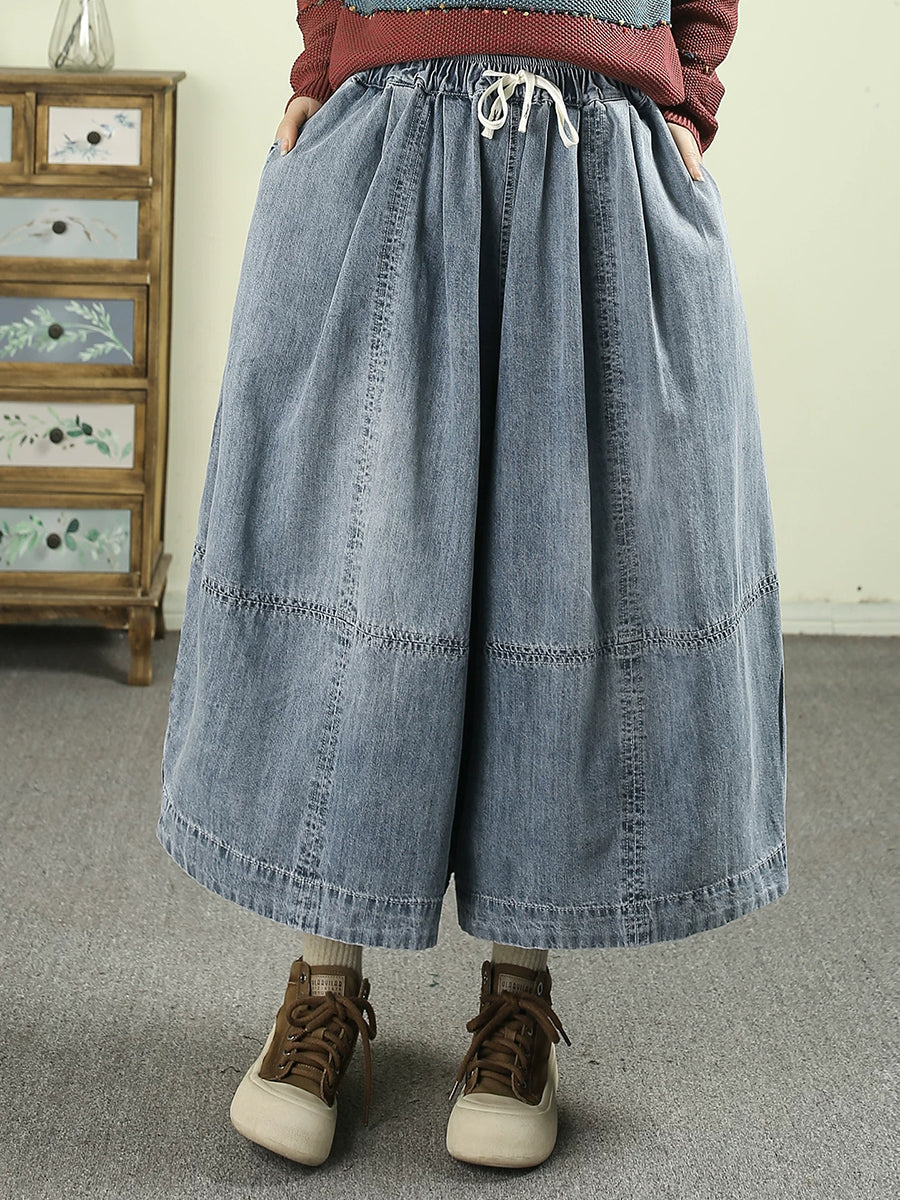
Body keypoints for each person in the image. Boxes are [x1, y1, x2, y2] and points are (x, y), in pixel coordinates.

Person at [156, 0, 789, 1171]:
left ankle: (518, 999)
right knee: (358, 568)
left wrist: (691, 91)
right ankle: (323, 985)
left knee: (565, 583)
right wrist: (320, 67)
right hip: (389, 129)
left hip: (597, 144)